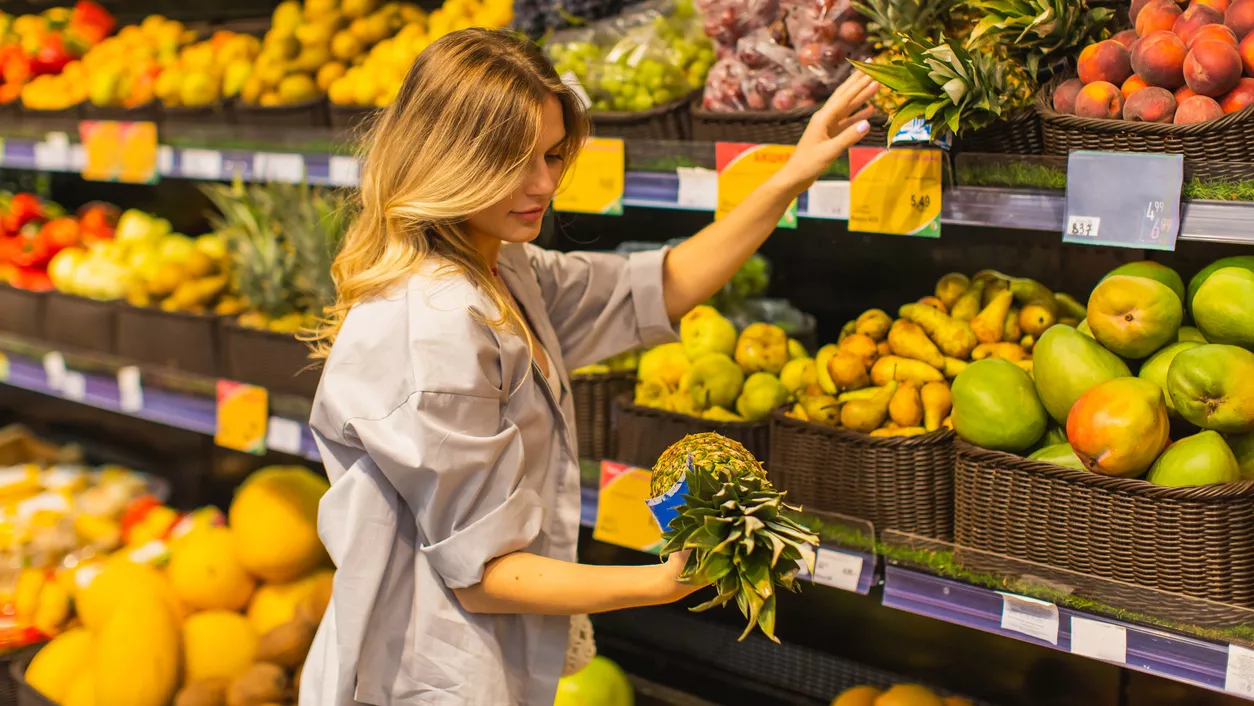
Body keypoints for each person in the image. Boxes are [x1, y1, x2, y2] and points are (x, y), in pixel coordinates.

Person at [300, 27, 878, 706]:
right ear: (449, 160)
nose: (544, 184)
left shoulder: (497, 265)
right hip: (429, 677)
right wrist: (661, 582)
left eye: (551, 155)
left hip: (483, 661)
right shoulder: (435, 326)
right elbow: (483, 575)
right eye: (515, 162)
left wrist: (792, 174)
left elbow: (658, 286)